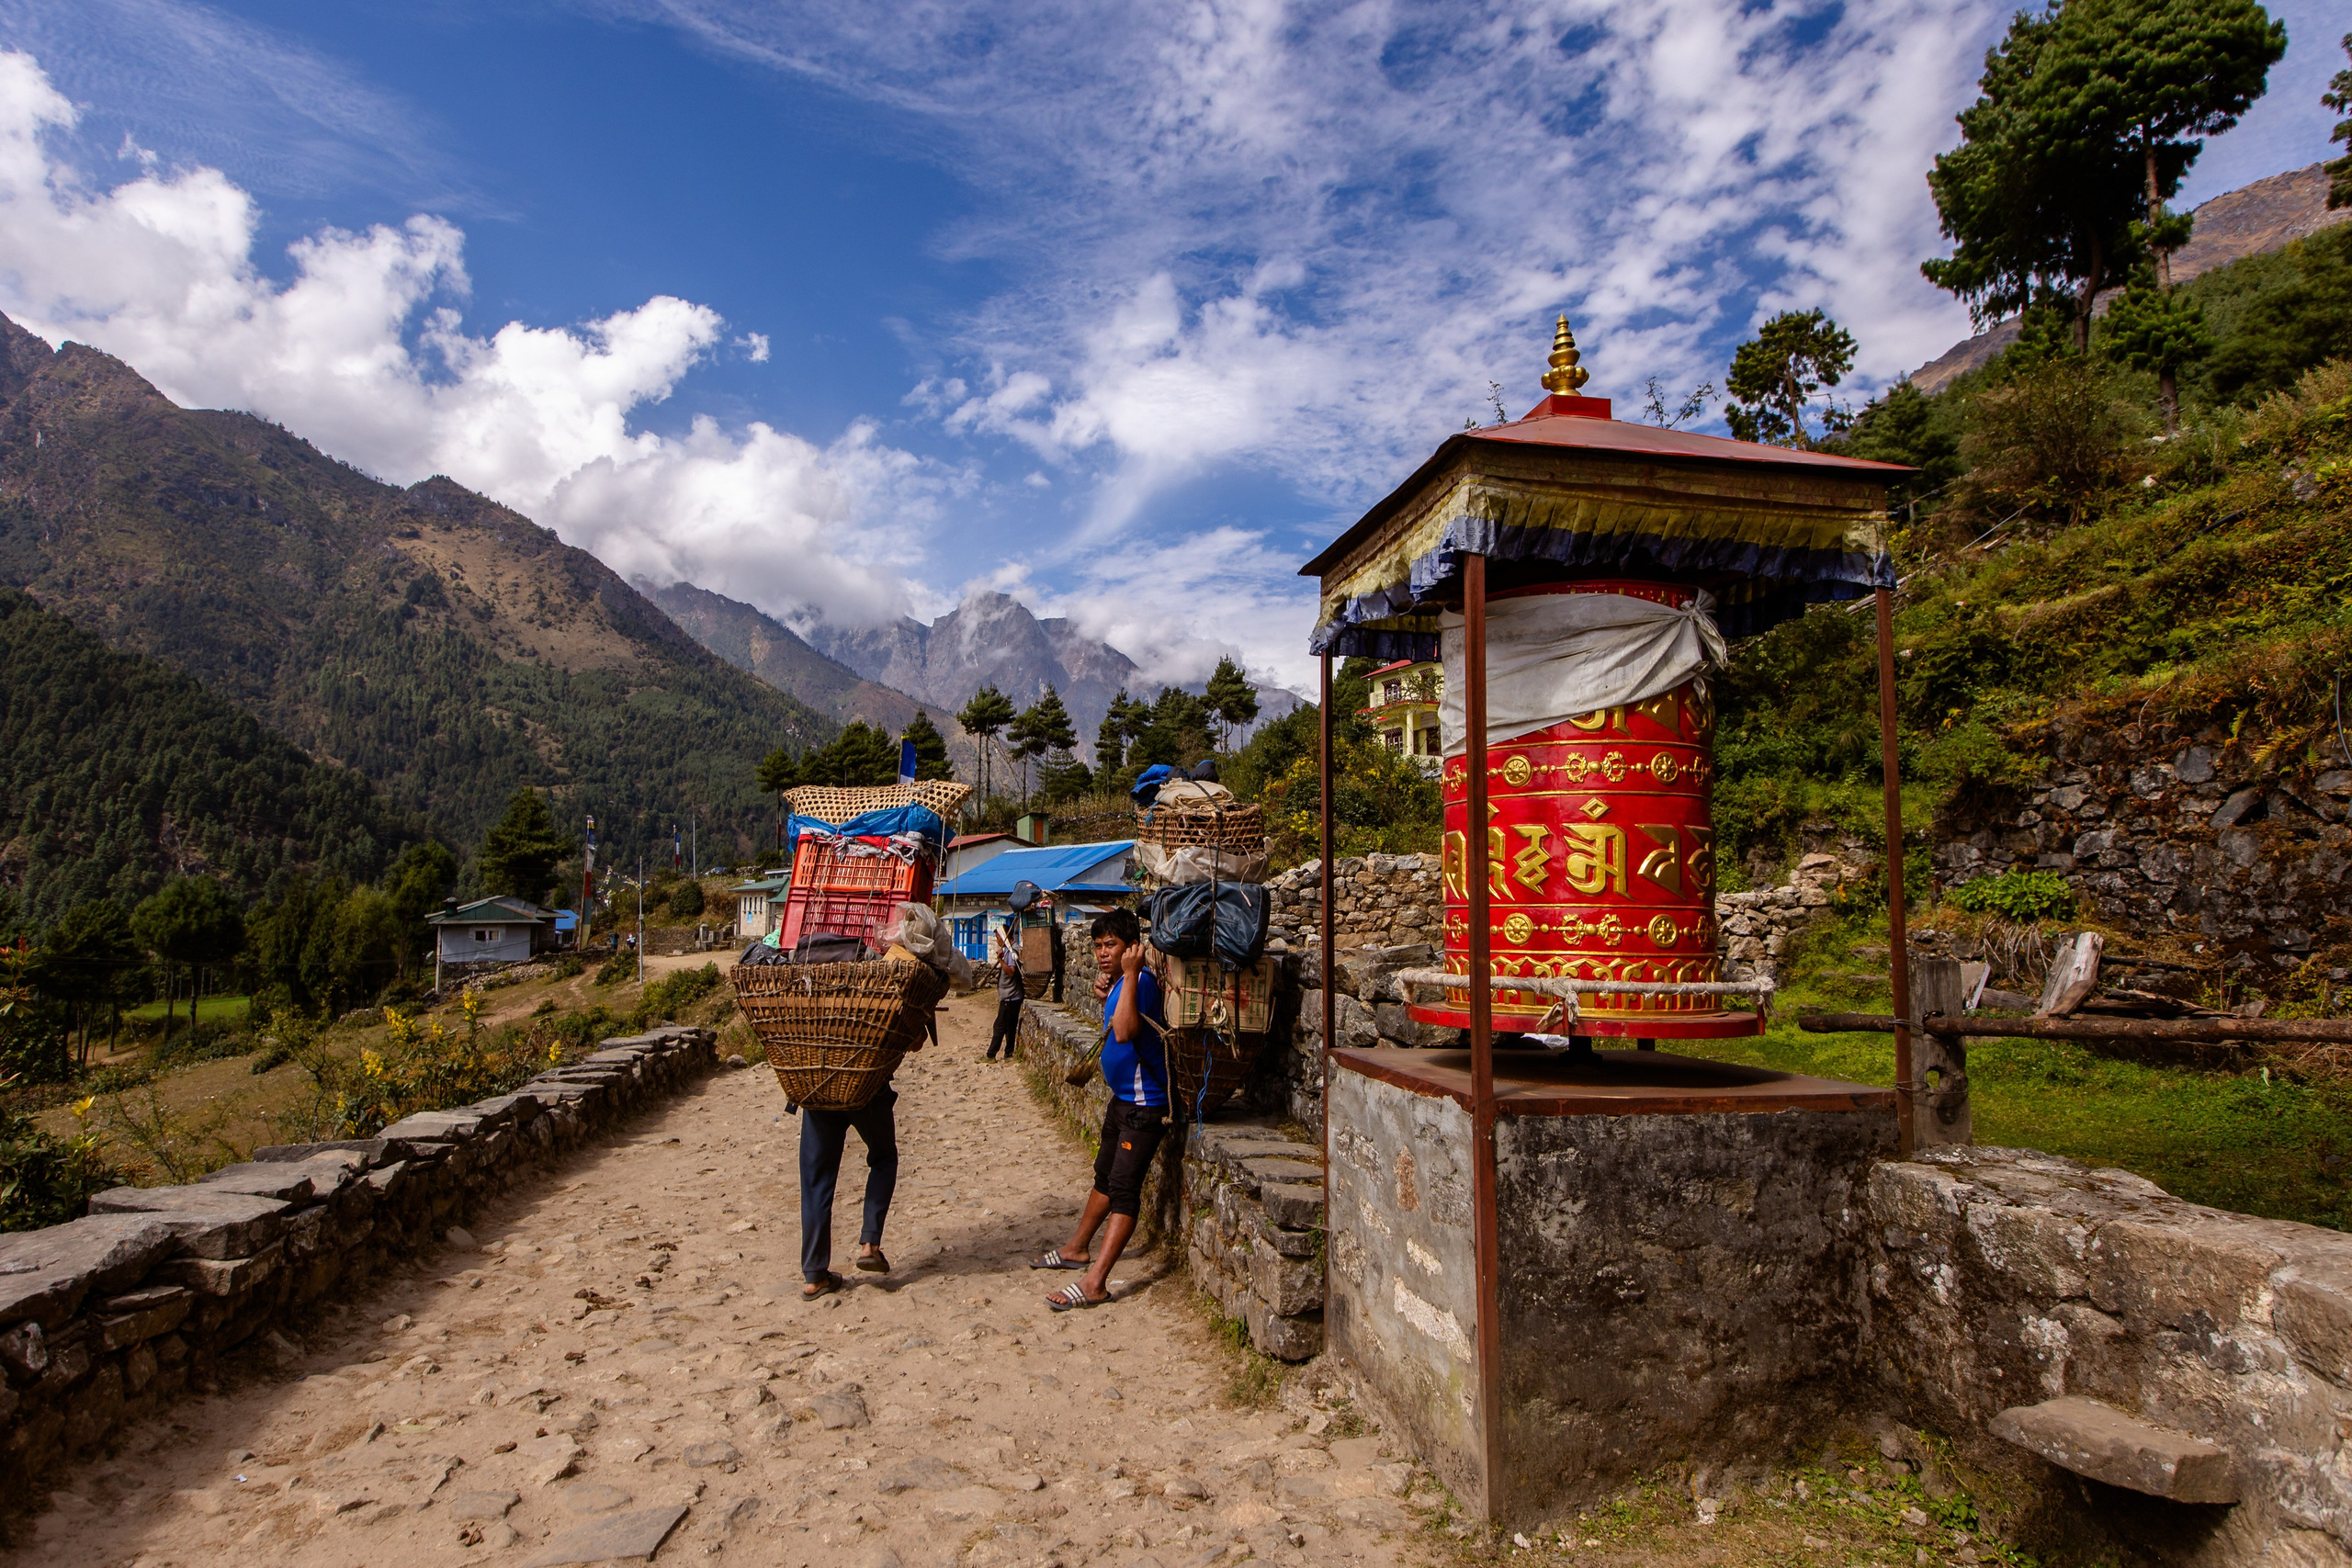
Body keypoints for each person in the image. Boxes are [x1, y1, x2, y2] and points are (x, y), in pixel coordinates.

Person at [1032, 908, 1166, 1310]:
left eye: (1112, 945)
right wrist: (1110, 991)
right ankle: (1077, 1248)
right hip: (1123, 1100)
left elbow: (1125, 1032)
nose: (1103, 953)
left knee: (1124, 1190)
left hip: (1146, 1104)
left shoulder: (1139, 981)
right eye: (1098, 946)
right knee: (1104, 1175)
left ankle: (1096, 1283)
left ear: (1132, 948)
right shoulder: (1124, 984)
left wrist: (1126, 976)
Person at [797, 1085, 900, 1299]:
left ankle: (815, 1275)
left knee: (815, 1180)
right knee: (884, 1159)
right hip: (868, 1088)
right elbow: (914, 1047)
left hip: (818, 1089)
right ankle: (870, 1245)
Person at [987, 925, 1023, 1061]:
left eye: (998, 937)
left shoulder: (1012, 951)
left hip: (1010, 996)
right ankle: (1009, 1053)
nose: (997, 941)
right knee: (1009, 1026)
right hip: (1012, 996)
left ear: (1004, 937)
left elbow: (1011, 972)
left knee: (999, 1025)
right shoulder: (1009, 950)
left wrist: (1001, 960)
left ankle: (991, 1054)